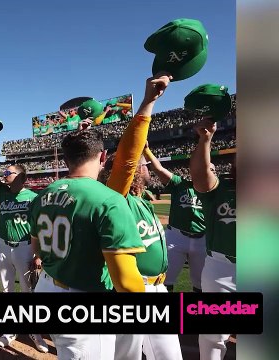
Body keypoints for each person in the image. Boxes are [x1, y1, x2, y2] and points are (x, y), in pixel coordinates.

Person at [28, 128, 146, 360]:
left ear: (66, 159)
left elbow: (36, 247)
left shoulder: (43, 195)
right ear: (103, 157)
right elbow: (126, 282)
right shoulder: (109, 200)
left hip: (46, 285)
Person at [105, 73, 182, 360]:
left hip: (158, 290)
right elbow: (126, 159)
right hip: (132, 294)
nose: (146, 166)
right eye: (142, 163)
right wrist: (148, 102)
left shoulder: (141, 200)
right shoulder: (118, 198)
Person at [0, 139, 48, 353]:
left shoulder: (34, 198)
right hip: (3, 246)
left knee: (28, 291)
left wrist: (38, 254)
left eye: (9, 172)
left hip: (26, 247)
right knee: (6, 289)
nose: (4, 174)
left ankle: (35, 333)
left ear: (21, 177)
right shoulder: (1, 191)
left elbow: (42, 228)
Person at [191, 117, 236, 360]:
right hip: (222, 269)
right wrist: (205, 140)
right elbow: (199, 175)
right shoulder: (221, 189)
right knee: (212, 335)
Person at [143, 141, 208, 293]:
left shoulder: (213, 190)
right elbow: (158, 169)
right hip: (176, 237)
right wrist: (147, 151)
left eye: (210, 169)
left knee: (201, 284)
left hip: (202, 239)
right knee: (165, 279)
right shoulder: (180, 183)